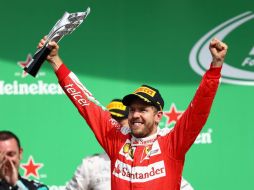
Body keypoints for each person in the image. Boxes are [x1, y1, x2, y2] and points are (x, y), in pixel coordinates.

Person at [39, 36, 227, 190]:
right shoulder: (115, 139)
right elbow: (85, 103)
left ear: (158, 116)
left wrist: (215, 66)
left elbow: (199, 110)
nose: (135, 115)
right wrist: (55, 61)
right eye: (132, 109)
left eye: (143, 110)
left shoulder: (172, 144)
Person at [50, 99, 193, 190]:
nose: (115, 124)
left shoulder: (162, 154)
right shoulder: (91, 164)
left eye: (120, 119)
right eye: (111, 120)